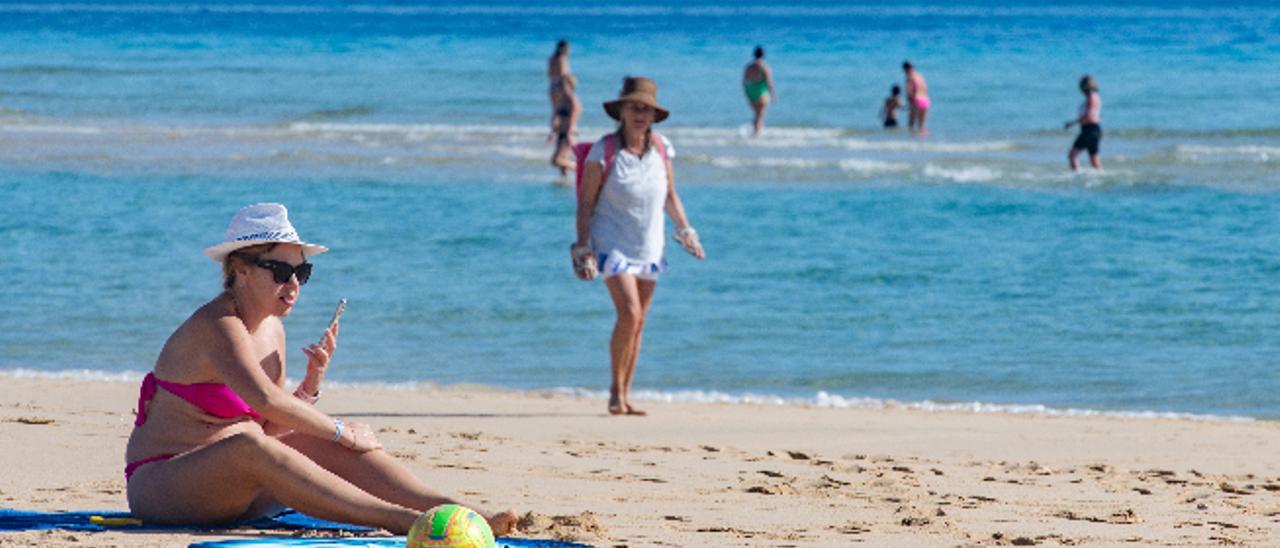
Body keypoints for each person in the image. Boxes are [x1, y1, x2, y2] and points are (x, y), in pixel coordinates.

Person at [124, 203, 518, 535]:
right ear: (240, 269)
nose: (293, 283)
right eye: (280, 272)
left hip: (238, 487)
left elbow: (269, 423)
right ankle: (404, 521)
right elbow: (266, 402)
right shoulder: (219, 325)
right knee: (269, 444)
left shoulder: (272, 330)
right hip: (167, 486)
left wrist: (311, 388)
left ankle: (457, 512)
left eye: (302, 273)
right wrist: (343, 431)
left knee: (313, 440)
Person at [572, 77, 705, 416]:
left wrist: (685, 230)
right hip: (611, 244)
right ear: (622, 112)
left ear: (653, 115)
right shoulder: (605, 150)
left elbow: (670, 196)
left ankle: (626, 394)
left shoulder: (662, 148)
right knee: (629, 313)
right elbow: (585, 203)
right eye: (634, 108)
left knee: (640, 321)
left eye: (646, 109)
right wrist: (582, 246)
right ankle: (615, 393)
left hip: (649, 244)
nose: (640, 114)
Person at [1064, 75, 1103, 171]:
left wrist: (1072, 123)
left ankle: (1077, 175)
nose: (1080, 88)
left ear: (1085, 86)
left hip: (1090, 130)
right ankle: (1096, 177)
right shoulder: (1091, 97)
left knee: (1073, 155)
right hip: (1089, 130)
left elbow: (1089, 115)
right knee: (1093, 159)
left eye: (1081, 85)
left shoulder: (1092, 97)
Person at [549, 74, 582, 177]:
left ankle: (579, 168)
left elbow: (574, 117)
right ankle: (564, 186)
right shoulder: (561, 100)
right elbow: (557, 116)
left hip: (569, 133)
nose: (561, 88)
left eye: (563, 85)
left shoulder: (573, 101)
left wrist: (569, 134)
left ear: (570, 86)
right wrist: (553, 132)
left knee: (556, 160)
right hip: (561, 133)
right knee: (562, 167)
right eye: (560, 85)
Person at [742, 46, 777, 137]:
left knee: (757, 114)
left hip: (751, 91)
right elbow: (769, 82)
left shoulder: (748, 67)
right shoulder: (765, 67)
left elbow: (744, 82)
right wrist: (773, 94)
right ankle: (756, 135)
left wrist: (746, 93)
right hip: (761, 91)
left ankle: (753, 132)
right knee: (760, 114)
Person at [903, 61, 930, 134]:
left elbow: (909, 91)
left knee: (910, 124)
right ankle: (923, 141)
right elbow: (925, 88)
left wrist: (909, 101)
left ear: (905, 69)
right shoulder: (920, 76)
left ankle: (911, 142)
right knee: (922, 125)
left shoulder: (909, 77)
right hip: (925, 100)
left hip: (916, 101)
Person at [547, 39, 572, 110]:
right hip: (562, 86)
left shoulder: (552, 59)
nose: (569, 50)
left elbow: (549, 74)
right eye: (568, 48)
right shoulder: (562, 58)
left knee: (556, 111)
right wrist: (573, 80)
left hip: (552, 86)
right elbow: (563, 74)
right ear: (564, 48)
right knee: (572, 108)